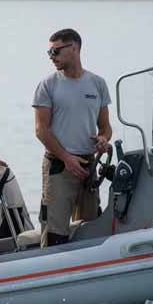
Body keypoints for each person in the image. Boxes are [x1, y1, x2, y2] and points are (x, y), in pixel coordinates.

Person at [32, 28, 112, 247]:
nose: (51, 57)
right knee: (55, 235)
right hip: (59, 167)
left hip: (88, 167)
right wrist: (67, 158)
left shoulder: (98, 83)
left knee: (91, 231)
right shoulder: (47, 85)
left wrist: (104, 139)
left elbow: (105, 127)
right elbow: (40, 129)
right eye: (49, 53)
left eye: (55, 51)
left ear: (74, 47)